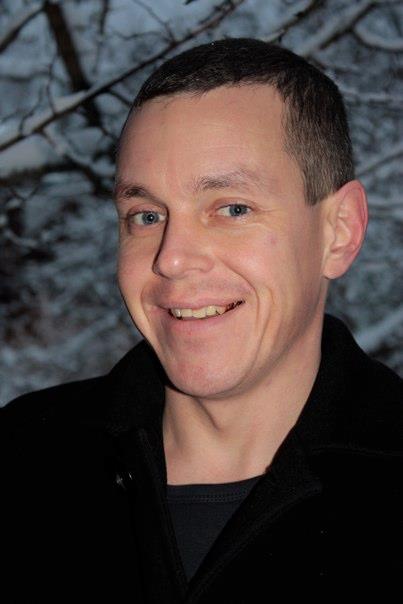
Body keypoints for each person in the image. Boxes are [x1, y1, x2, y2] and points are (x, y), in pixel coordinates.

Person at [2, 38, 402, 602]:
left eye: (232, 209)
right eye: (146, 215)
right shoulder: (24, 463)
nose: (171, 258)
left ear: (339, 232)